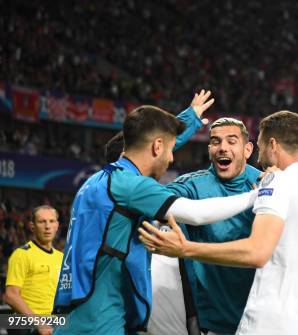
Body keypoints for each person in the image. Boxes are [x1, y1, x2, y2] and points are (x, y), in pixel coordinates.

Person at [54, 101, 260, 334]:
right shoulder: (131, 187)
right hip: (100, 320)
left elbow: (143, 145)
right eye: (171, 149)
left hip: (77, 313)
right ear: (157, 147)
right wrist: (256, 196)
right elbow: (195, 213)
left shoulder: (96, 181)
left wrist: (187, 122)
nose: (172, 158)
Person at [139, 111, 298, 334]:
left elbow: (257, 252)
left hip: (271, 321)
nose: (260, 160)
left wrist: (185, 248)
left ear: (271, 145)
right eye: (215, 142)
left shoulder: (276, 181)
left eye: (259, 148)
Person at [162, 117, 260, 335]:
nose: (222, 148)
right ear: (209, 149)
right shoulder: (191, 186)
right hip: (211, 322)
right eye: (215, 141)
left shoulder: (268, 183)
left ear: (247, 149)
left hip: (260, 318)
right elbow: (151, 194)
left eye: (231, 141)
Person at [5, 205, 62, 335]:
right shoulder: (22, 254)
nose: (47, 226)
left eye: (51, 221)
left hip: (53, 325)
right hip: (29, 326)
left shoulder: (61, 257)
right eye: (42, 222)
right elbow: (11, 295)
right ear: (32, 226)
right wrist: (38, 323)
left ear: (57, 226)